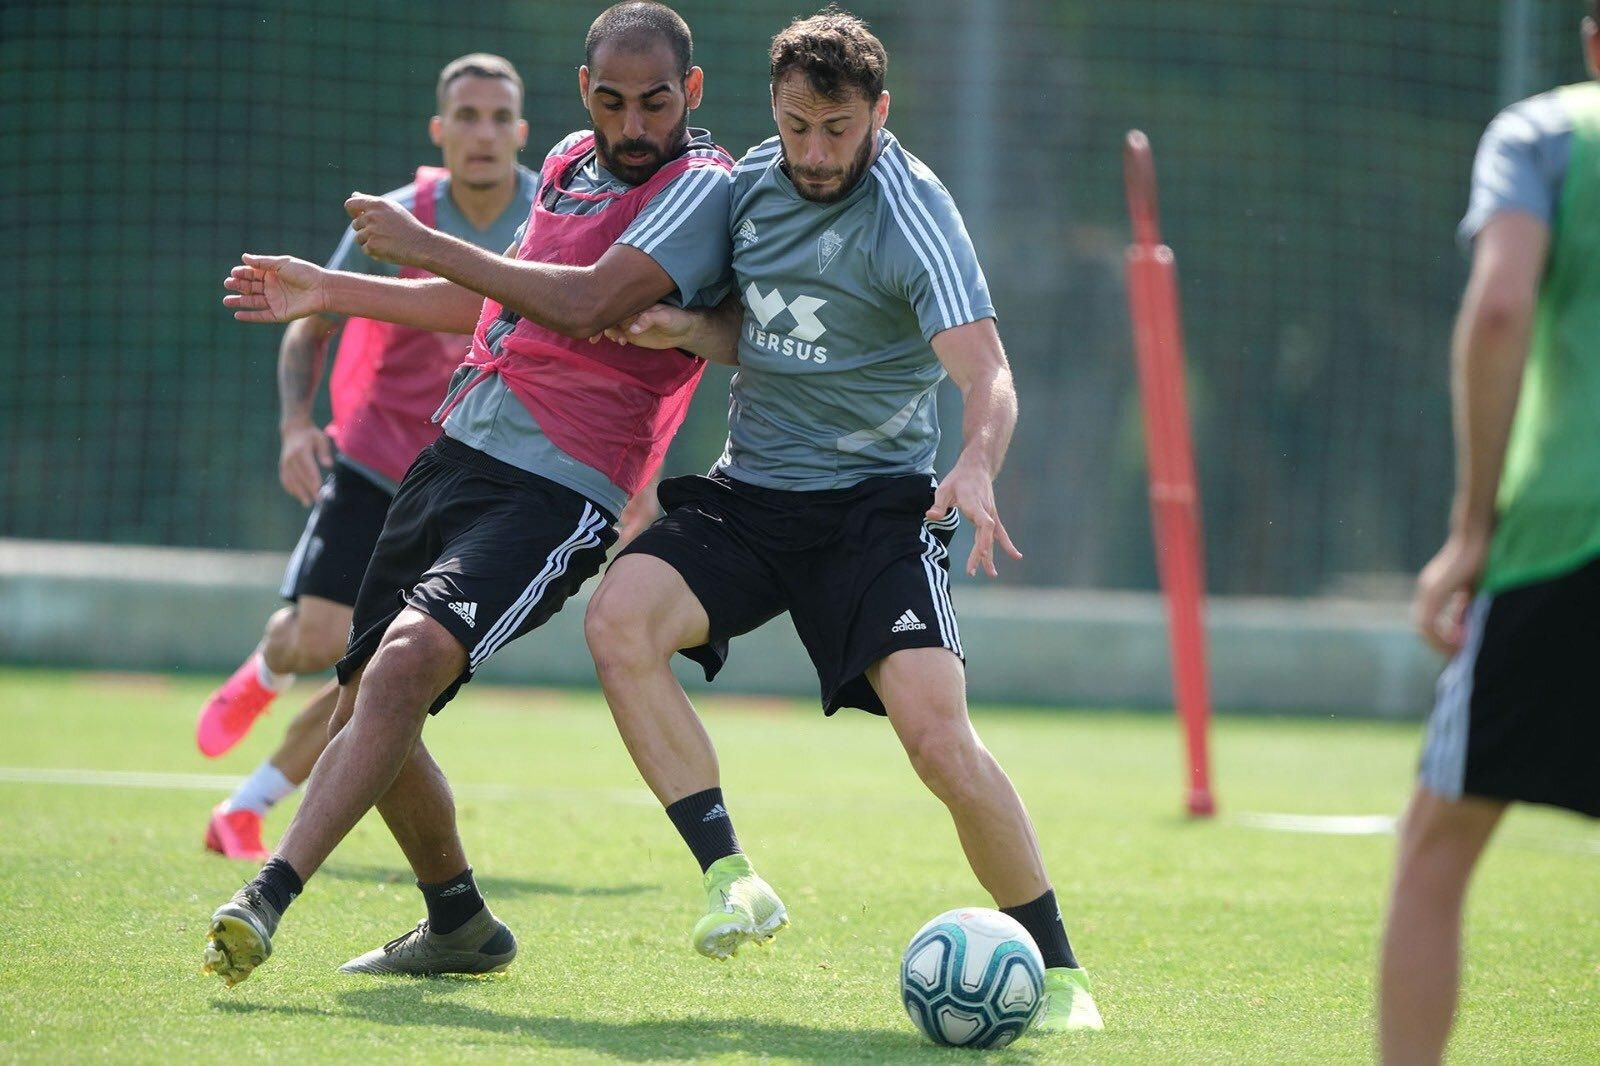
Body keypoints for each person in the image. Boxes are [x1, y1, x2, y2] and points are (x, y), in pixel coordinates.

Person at [583, 9, 1103, 1033]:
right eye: (794, 127)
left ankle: (1062, 973)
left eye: (834, 128)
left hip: (873, 509)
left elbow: (986, 370)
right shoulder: (743, 190)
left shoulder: (912, 215)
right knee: (617, 621)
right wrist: (694, 327)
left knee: (937, 741)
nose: (813, 153)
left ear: (878, 112)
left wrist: (978, 464)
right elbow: (767, 329)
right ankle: (730, 875)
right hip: (751, 494)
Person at [201, 1, 735, 986]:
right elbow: (501, 295)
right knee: (369, 693)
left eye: (654, 103)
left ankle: (263, 896)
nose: (630, 127)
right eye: (611, 102)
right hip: (452, 449)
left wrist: (425, 239)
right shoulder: (574, 160)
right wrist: (331, 288)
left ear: (690, 94)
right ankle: (458, 920)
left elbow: (579, 305)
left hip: (559, 486)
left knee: (401, 665)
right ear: (583, 95)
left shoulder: (700, 186)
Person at [195, 54, 537, 863]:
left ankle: (245, 809)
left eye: (499, 118)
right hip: (379, 457)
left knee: (384, 666)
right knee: (315, 639)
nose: (482, 132)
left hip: (472, 475)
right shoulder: (397, 217)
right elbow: (310, 323)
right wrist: (292, 426)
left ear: (521, 133)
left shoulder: (549, 213)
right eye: (466, 116)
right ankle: (264, 669)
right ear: (439, 130)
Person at [1379, 9, 1600, 1064]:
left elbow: (1502, 306)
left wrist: (1472, 529)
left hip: (1567, 536)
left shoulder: (1548, 132)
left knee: (1435, 844)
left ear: (1591, 43)